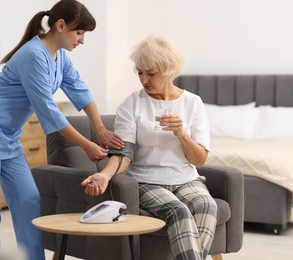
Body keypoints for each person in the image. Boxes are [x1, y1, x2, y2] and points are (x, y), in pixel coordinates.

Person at [0, 1, 123, 260]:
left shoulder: (60, 55)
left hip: (7, 134)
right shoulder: (33, 54)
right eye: (79, 33)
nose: (83, 40)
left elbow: (80, 88)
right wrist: (87, 145)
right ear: (61, 25)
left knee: (28, 199)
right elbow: (49, 111)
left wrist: (99, 129)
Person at [81, 35, 217, 260]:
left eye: (151, 73)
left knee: (206, 206)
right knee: (179, 211)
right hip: (146, 181)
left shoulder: (193, 103)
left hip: (186, 179)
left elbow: (200, 160)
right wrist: (104, 175)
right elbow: (124, 154)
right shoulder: (131, 104)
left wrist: (181, 134)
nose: (144, 80)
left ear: (169, 70)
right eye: (140, 72)